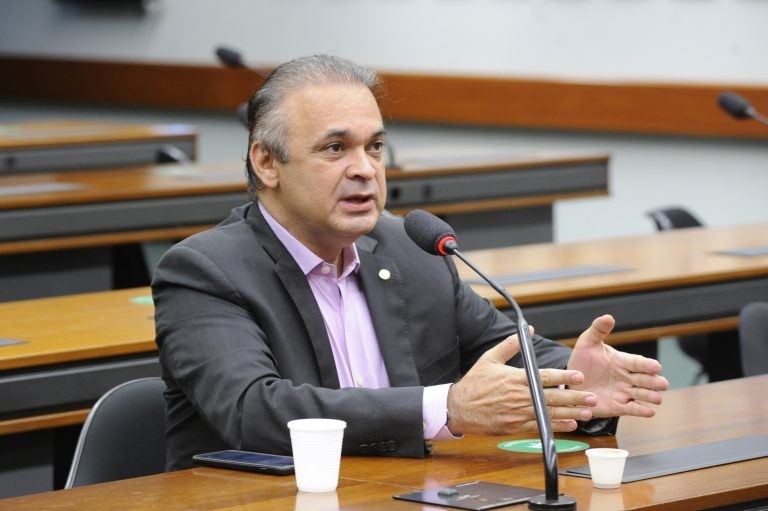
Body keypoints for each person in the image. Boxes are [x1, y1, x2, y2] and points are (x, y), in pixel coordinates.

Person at [152, 54, 669, 471]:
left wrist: (572, 383)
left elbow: (501, 348)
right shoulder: (204, 270)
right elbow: (253, 411)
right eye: (335, 148)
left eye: (375, 147)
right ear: (267, 162)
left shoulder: (407, 248)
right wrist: (446, 408)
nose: (364, 170)